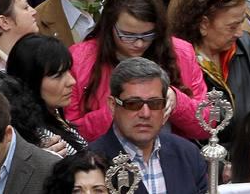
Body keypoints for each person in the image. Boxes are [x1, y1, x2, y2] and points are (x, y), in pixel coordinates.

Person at [66, 0, 208, 142]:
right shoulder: (80, 59)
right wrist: (119, 109)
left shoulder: (181, 52)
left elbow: (207, 124)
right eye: (128, 35)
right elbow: (72, 132)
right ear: (110, 26)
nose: (139, 43)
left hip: (168, 158)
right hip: (103, 161)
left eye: (148, 34)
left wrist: (177, 101)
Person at [88, 57, 209, 194]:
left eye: (155, 103)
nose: (145, 113)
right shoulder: (89, 164)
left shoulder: (188, 154)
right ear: (113, 105)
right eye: (133, 104)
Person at [168, 0, 250, 144]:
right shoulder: (177, 62)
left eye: (241, 23)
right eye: (232, 26)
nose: (239, 33)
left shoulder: (246, 46)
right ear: (204, 24)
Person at [7, 33, 88, 156]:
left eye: (68, 71)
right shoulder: (39, 140)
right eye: (57, 76)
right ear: (30, 81)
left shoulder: (54, 118)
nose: (71, 81)